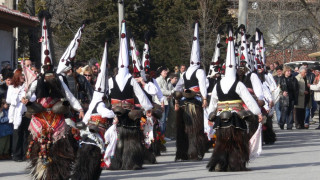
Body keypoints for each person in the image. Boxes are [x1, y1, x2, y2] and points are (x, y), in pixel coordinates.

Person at [207, 25, 262, 171]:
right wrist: (258, 113)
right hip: (236, 116)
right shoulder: (238, 84)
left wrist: (209, 115)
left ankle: (219, 163)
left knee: (221, 141)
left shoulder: (218, 84)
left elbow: (213, 101)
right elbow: (249, 99)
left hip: (220, 117)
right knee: (238, 141)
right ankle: (235, 163)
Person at [174, 22, 208, 161]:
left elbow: (177, 87)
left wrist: (176, 99)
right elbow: (203, 86)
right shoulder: (200, 71)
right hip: (195, 100)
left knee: (183, 130)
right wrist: (205, 98)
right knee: (197, 128)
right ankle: (195, 151)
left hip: (184, 101)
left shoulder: (185, 72)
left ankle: (182, 152)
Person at [6, 69, 29, 162]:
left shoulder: (27, 86)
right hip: (16, 114)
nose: (23, 77)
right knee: (17, 134)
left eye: (24, 75)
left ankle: (25, 154)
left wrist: (27, 99)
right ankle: (16, 154)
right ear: (17, 76)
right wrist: (19, 99)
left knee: (25, 134)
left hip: (26, 113)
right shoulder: (11, 87)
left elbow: (33, 96)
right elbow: (8, 100)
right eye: (21, 75)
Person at [156, 66, 171, 138]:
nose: (166, 72)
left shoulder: (165, 80)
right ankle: (161, 136)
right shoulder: (158, 80)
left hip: (166, 102)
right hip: (161, 103)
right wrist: (170, 93)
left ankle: (163, 136)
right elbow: (160, 91)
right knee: (161, 120)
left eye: (166, 71)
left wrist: (170, 94)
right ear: (161, 72)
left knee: (164, 120)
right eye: (164, 71)